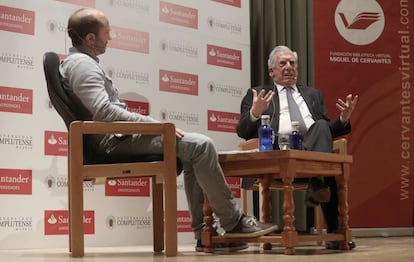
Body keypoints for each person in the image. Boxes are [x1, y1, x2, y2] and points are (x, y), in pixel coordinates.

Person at [59, 8, 278, 252]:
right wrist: (155, 127)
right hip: (111, 143)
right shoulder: (82, 66)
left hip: (116, 137)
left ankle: (204, 235)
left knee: (194, 149)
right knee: (200, 145)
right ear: (90, 38)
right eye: (106, 33)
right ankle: (234, 222)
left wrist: (154, 128)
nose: (110, 37)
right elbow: (103, 112)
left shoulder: (81, 63)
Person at [236, 45, 358, 249]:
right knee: (326, 166)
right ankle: (320, 190)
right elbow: (242, 131)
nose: (288, 67)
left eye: (292, 63)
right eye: (282, 63)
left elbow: (327, 132)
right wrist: (255, 114)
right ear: (271, 71)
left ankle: (319, 185)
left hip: (310, 154)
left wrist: (342, 120)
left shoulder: (312, 95)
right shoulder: (257, 93)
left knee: (320, 126)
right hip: (277, 155)